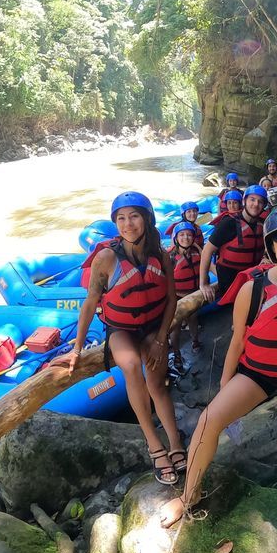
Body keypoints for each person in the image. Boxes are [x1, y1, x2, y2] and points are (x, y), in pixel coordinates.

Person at [159, 206, 277, 528]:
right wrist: (226, 382)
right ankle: (188, 496)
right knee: (209, 420)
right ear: (271, 249)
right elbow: (237, 341)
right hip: (258, 372)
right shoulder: (253, 289)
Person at [65, 192, 185, 485]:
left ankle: (175, 441)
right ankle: (154, 444)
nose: (127, 224)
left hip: (154, 327)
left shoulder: (162, 256)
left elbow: (171, 300)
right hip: (121, 330)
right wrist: (77, 349)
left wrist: (160, 339)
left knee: (157, 384)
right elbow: (91, 303)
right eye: (121, 218)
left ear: (146, 219)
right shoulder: (106, 258)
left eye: (133, 216)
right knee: (130, 365)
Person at [200, 185, 267, 301]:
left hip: (251, 279)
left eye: (260, 201)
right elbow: (207, 250)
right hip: (229, 283)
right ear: (244, 201)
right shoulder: (229, 223)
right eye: (252, 199)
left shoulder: (263, 224)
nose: (256, 204)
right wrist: (204, 284)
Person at [168, 222, 202, 367]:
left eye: (189, 235)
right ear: (176, 238)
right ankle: (176, 354)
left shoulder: (196, 252)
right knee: (175, 327)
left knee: (193, 319)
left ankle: (195, 341)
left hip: (192, 293)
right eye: (181, 235)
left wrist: (199, 247)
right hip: (176, 297)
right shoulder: (170, 257)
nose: (185, 238)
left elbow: (207, 264)